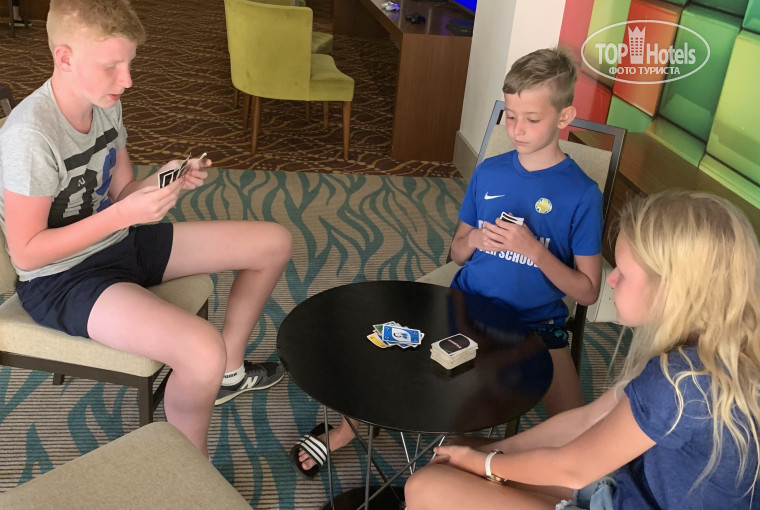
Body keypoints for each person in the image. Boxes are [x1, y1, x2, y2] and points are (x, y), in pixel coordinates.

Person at [290, 47, 602, 479]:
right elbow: (456, 252)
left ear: (564, 117)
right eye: (511, 115)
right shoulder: (490, 172)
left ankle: (486, 459)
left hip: (536, 324)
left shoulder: (582, 194)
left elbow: (588, 291)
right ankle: (348, 430)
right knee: (391, 359)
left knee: (579, 436)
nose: (516, 129)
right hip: (467, 307)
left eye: (532, 119)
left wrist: (536, 252)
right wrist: (473, 239)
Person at [0, 0, 292, 457]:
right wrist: (122, 217)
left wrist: (166, 178)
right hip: (62, 279)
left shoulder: (104, 105)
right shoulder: (29, 137)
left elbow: (123, 191)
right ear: (65, 58)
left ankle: (228, 374)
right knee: (201, 350)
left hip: (120, 241)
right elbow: (27, 253)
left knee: (272, 243)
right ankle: (190, 472)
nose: (128, 80)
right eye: (112, 66)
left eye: (130, 63)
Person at [404, 189, 760, 509]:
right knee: (461, 454)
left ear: (674, 290)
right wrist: (481, 456)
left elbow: (574, 468)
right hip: (624, 488)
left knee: (427, 486)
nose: (612, 280)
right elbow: (586, 419)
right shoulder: (710, 355)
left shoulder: (678, 381)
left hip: (609, 487)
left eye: (623, 272)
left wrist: (483, 463)